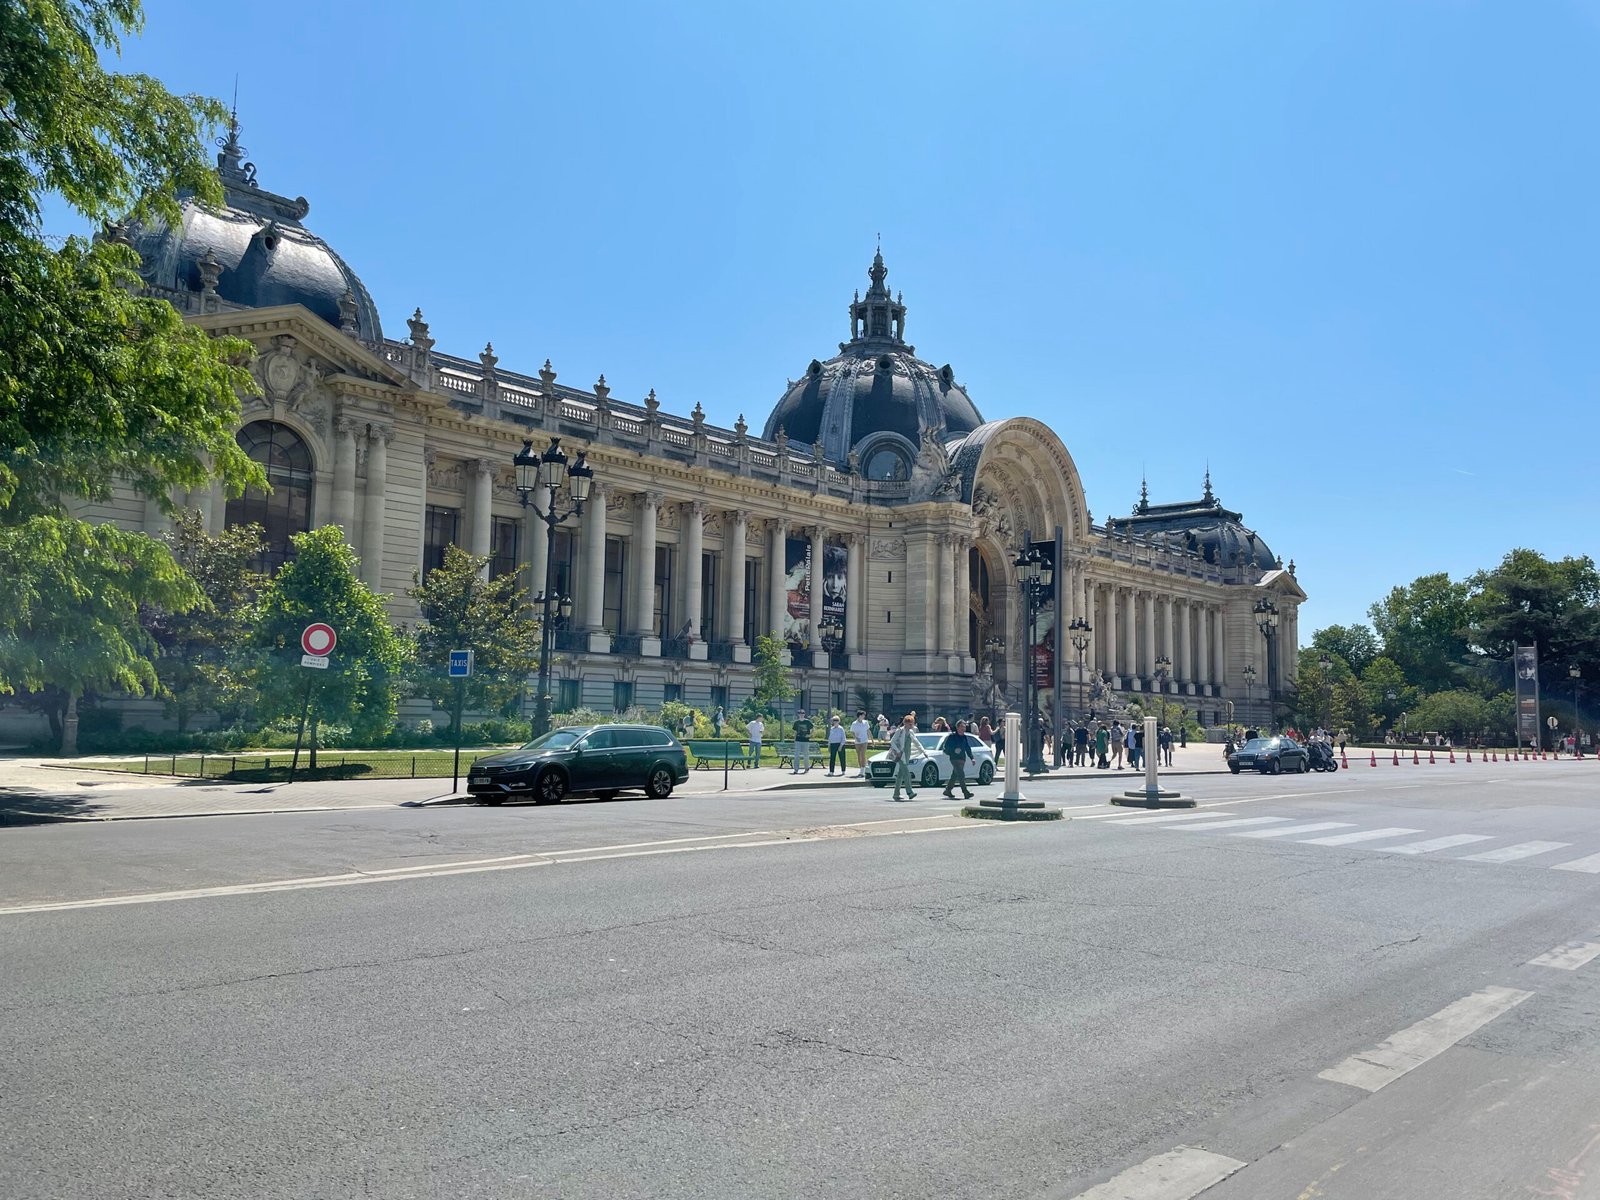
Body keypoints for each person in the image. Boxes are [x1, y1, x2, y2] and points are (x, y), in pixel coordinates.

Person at [889, 712, 924, 800]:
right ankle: (910, 792)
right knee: (906, 773)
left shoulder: (911, 732)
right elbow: (892, 742)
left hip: (907, 754)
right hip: (900, 755)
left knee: (900, 775)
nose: (911, 725)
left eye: (912, 723)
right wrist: (897, 751)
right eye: (909, 723)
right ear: (905, 723)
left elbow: (916, 742)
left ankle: (896, 794)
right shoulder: (900, 731)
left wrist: (923, 751)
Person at [941, 719, 975, 800]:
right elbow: (945, 748)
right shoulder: (952, 736)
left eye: (964, 727)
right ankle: (965, 792)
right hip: (954, 759)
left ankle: (948, 790)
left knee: (955, 775)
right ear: (958, 727)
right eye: (962, 727)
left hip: (962, 759)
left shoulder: (964, 737)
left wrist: (972, 758)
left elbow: (967, 748)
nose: (964, 729)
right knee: (961, 775)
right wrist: (954, 750)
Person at [791, 709, 815, 774]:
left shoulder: (807, 722)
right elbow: (795, 732)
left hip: (805, 741)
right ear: (798, 714)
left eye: (802, 713)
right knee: (796, 755)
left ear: (804, 714)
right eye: (800, 713)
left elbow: (813, 729)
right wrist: (794, 740)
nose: (801, 715)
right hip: (798, 740)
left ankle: (806, 768)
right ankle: (796, 769)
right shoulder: (796, 722)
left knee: (806, 755)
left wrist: (809, 735)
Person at [851, 710, 873, 777]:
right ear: (859, 716)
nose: (864, 716)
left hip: (864, 740)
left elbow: (868, 731)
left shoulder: (865, 722)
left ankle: (863, 770)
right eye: (862, 715)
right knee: (859, 755)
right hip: (858, 741)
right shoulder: (854, 723)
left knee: (863, 754)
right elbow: (852, 732)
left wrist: (872, 740)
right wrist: (856, 737)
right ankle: (861, 768)